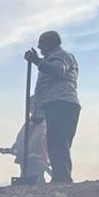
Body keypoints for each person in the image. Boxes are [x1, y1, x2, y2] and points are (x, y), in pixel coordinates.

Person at [24, 31, 80, 183]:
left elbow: (58, 71)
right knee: (55, 142)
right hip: (54, 105)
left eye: (42, 45)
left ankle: (62, 179)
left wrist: (37, 61)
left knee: (59, 142)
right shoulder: (48, 61)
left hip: (63, 104)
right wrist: (37, 112)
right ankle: (60, 177)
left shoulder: (63, 56)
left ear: (52, 43)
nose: (40, 48)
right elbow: (43, 89)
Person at [0, 114, 50, 183]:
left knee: (35, 181)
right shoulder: (30, 121)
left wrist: (26, 149)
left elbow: (38, 136)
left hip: (36, 158)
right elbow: (21, 137)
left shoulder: (41, 122)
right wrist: (14, 147)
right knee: (25, 180)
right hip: (24, 158)